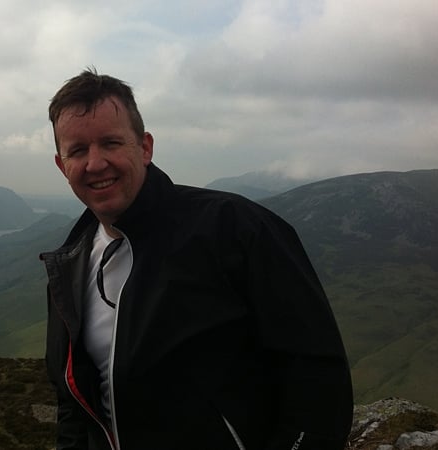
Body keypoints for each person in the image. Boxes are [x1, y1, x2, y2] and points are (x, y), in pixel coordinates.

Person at [40, 69, 353, 450]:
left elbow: (319, 380)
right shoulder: (70, 266)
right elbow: (74, 407)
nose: (95, 163)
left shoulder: (235, 229)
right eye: (77, 151)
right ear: (62, 165)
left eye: (111, 143)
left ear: (145, 147)